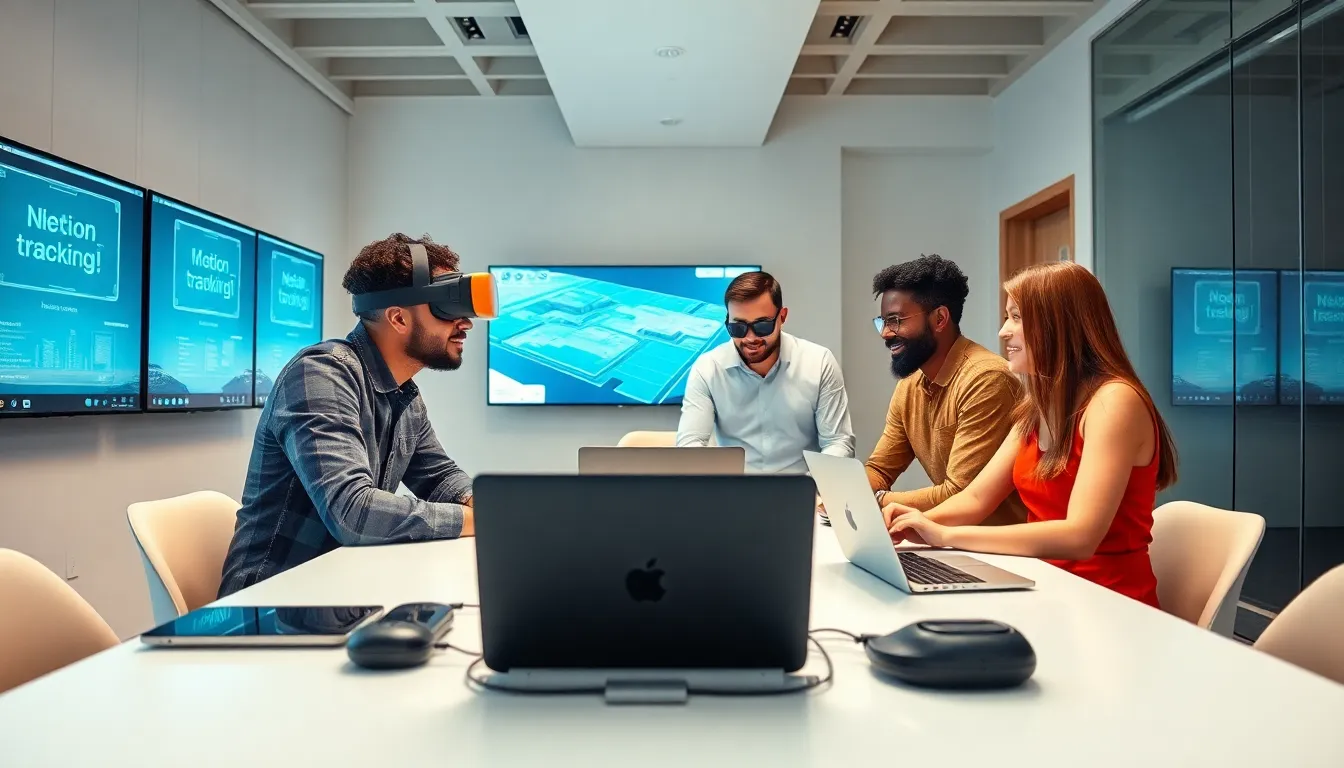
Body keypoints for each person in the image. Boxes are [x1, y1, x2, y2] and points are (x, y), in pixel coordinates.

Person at [884, 261, 1178, 608]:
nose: (1003, 332)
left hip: (1108, 604)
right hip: (1047, 588)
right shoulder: (1037, 408)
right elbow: (976, 499)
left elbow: (1080, 536)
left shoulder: (1115, 402)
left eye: (1017, 318)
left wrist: (946, 536)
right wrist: (908, 524)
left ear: (1061, 325)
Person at [218, 233, 479, 597]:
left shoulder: (403, 393)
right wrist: (472, 521)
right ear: (398, 318)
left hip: (342, 588)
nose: (466, 322)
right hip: (273, 603)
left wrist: (488, 506)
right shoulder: (320, 375)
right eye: (447, 308)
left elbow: (440, 477)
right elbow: (354, 514)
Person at [865, 255, 1026, 525]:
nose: (886, 333)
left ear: (940, 319)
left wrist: (877, 499)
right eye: (883, 322)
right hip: (950, 541)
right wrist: (845, 495)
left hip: (999, 550)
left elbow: (959, 493)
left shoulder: (986, 379)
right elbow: (880, 468)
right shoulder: (910, 385)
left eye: (895, 320)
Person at [676, 270, 855, 473]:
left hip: (804, 491)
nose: (751, 338)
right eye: (738, 328)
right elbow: (690, 445)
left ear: (782, 317)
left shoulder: (819, 362)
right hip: (735, 494)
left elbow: (838, 442)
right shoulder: (708, 369)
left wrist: (811, 485)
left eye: (762, 326)